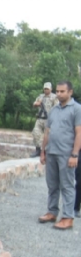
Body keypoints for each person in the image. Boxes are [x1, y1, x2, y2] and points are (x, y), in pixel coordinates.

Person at [38, 81, 81, 230]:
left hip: (66, 154)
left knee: (67, 186)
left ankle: (68, 217)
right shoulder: (54, 110)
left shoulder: (77, 109)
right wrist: (43, 151)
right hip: (52, 152)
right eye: (58, 91)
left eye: (63, 91)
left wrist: (74, 154)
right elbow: (47, 132)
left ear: (70, 92)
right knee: (52, 185)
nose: (60, 94)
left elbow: (79, 133)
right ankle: (52, 212)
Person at [31, 82, 58, 157]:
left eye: (47, 89)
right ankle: (38, 150)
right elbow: (34, 104)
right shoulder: (40, 96)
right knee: (36, 133)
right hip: (40, 118)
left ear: (51, 89)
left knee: (48, 136)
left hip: (48, 119)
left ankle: (46, 151)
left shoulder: (54, 97)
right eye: (45, 89)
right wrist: (36, 104)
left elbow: (57, 108)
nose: (46, 90)